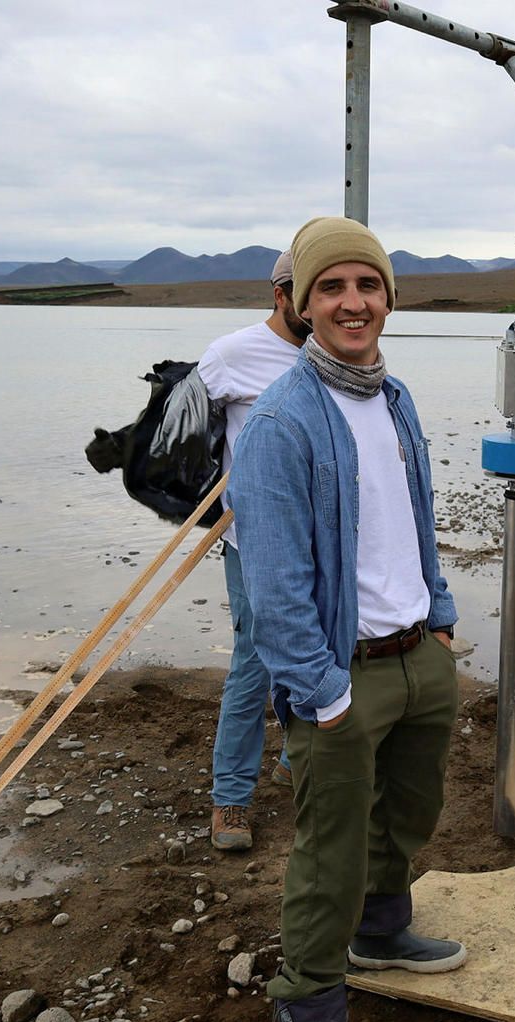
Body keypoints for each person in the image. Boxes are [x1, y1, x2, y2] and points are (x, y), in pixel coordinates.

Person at [236, 216, 463, 1022]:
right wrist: (321, 690)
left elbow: (415, 515)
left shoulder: (393, 397)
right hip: (341, 675)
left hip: (417, 656)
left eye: (367, 285)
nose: (352, 302)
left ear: (388, 298)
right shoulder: (280, 423)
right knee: (329, 852)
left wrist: (438, 616)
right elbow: (272, 584)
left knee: (406, 813)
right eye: (330, 288)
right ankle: (310, 1016)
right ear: (297, 303)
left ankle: (381, 932)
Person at [198, 248, 306, 852]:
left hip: (325, 535)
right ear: (281, 294)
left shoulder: (335, 355)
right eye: (306, 289)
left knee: (328, 643)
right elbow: (184, 426)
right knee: (255, 662)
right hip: (254, 537)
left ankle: (297, 754)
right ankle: (231, 799)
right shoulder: (232, 354)